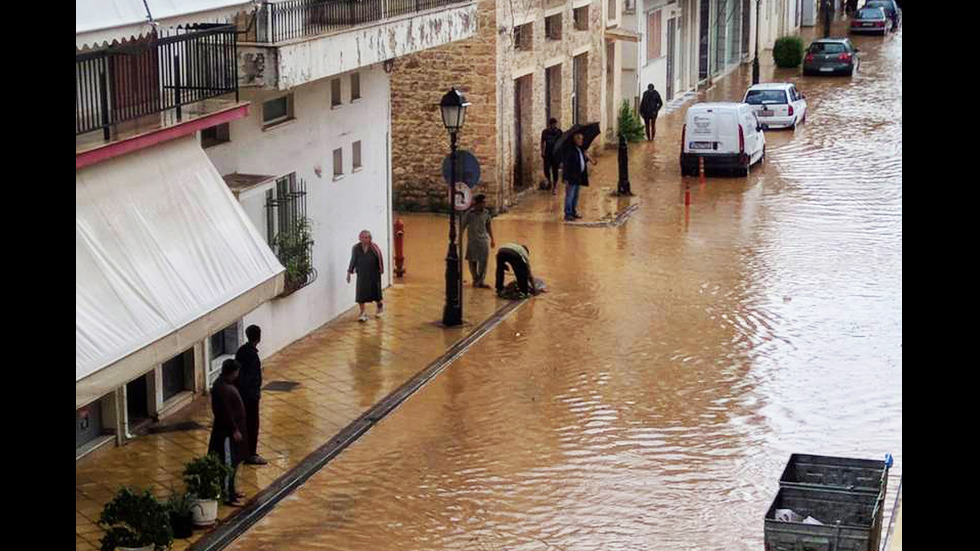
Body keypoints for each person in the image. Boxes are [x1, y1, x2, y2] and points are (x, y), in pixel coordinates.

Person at [208, 359, 248, 506]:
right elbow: (225, 413)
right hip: (226, 434)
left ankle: (232, 490)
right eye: (236, 372)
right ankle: (228, 495)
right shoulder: (221, 388)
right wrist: (234, 430)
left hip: (230, 432)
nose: (237, 375)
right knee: (228, 464)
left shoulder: (225, 385)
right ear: (231, 373)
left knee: (234, 463)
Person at [234, 325, 266, 466]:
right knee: (252, 425)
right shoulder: (252, 355)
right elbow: (251, 378)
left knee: (244, 424)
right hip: (250, 397)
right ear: (258, 338)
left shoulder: (241, 351)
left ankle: (242, 451)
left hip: (242, 395)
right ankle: (251, 454)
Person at [347, 230, 385, 322]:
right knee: (361, 293)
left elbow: (380, 259)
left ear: (370, 238)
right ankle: (363, 313)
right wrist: (349, 272)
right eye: (363, 237)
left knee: (376, 292)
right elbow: (353, 260)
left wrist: (381, 270)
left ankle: (379, 306)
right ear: (359, 238)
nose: (365, 239)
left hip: (374, 273)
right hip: (362, 273)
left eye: (367, 237)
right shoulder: (356, 248)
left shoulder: (374, 248)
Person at [461, 194, 495, 289]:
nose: (485, 204)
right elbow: (462, 227)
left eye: (485, 202)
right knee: (472, 261)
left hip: (483, 241)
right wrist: (459, 239)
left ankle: (480, 281)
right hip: (472, 241)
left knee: (484, 262)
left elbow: (488, 226)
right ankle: (475, 279)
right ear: (478, 204)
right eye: (483, 202)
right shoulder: (469, 214)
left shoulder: (486, 213)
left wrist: (492, 239)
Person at [562, 131, 596, 222]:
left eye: (581, 139)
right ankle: (568, 214)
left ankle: (573, 211)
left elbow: (584, 162)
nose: (581, 140)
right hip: (571, 176)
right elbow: (566, 165)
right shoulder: (570, 150)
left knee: (576, 195)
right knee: (570, 195)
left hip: (578, 176)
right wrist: (565, 178)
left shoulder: (580, 149)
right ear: (574, 139)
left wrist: (587, 157)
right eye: (578, 138)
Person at [540, 118, 563, 194]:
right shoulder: (545, 132)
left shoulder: (559, 132)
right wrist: (542, 151)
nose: (554, 125)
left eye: (555, 124)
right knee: (546, 169)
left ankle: (555, 186)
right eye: (553, 124)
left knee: (555, 170)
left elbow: (562, 143)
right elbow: (542, 142)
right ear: (549, 124)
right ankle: (549, 182)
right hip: (547, 153)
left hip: (556, 154)